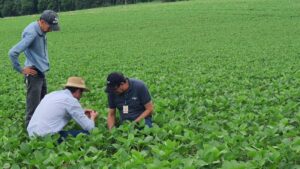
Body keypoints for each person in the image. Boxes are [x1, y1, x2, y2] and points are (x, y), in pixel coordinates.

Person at [8, 10, 60, 127]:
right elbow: (12, 52)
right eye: (50, 26)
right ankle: (31, 133)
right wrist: (21, 69)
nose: (51, 29)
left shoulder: (40, 29)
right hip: (33, 73)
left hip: (40, 71)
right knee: (33, 107)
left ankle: (41, 128)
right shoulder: (32, 33)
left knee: (43, 103)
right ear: (42, 22)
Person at [27, 76, 98, 139]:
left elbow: (60, 109)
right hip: (46, 138)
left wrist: (82, 111)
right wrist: (92, 117)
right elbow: (91, 129)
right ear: (78, 91)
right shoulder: (71, 100)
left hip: (32, 136)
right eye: (81, 92)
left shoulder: (52, 94)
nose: (81, 96)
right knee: (88, 134)